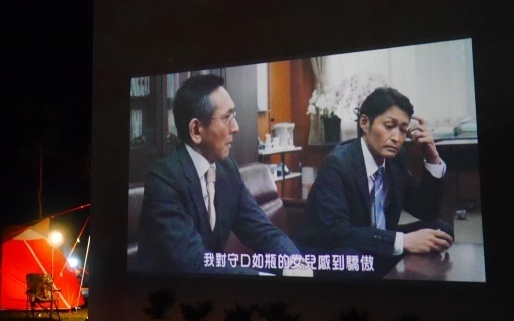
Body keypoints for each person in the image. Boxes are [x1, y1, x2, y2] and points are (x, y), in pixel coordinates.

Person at [136, 74, 303, 275]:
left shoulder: (227, 168)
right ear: (196, 130)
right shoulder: (163, 180)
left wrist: (296, 264)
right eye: (227, 117)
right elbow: (193, 263)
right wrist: (263, 279)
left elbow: (261, 230)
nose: (236, 127)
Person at [298, 86, 453, 275]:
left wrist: (432, 157)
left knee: (439, 231)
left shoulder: (396, 159)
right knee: (355, 261)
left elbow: (425, 210)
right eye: (388, 126)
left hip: (375, 243)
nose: (396, 138)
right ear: (364, 123)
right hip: (335, 249)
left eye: (403, 130)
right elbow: (335, 232)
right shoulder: (338, 164)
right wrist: (402, 241)